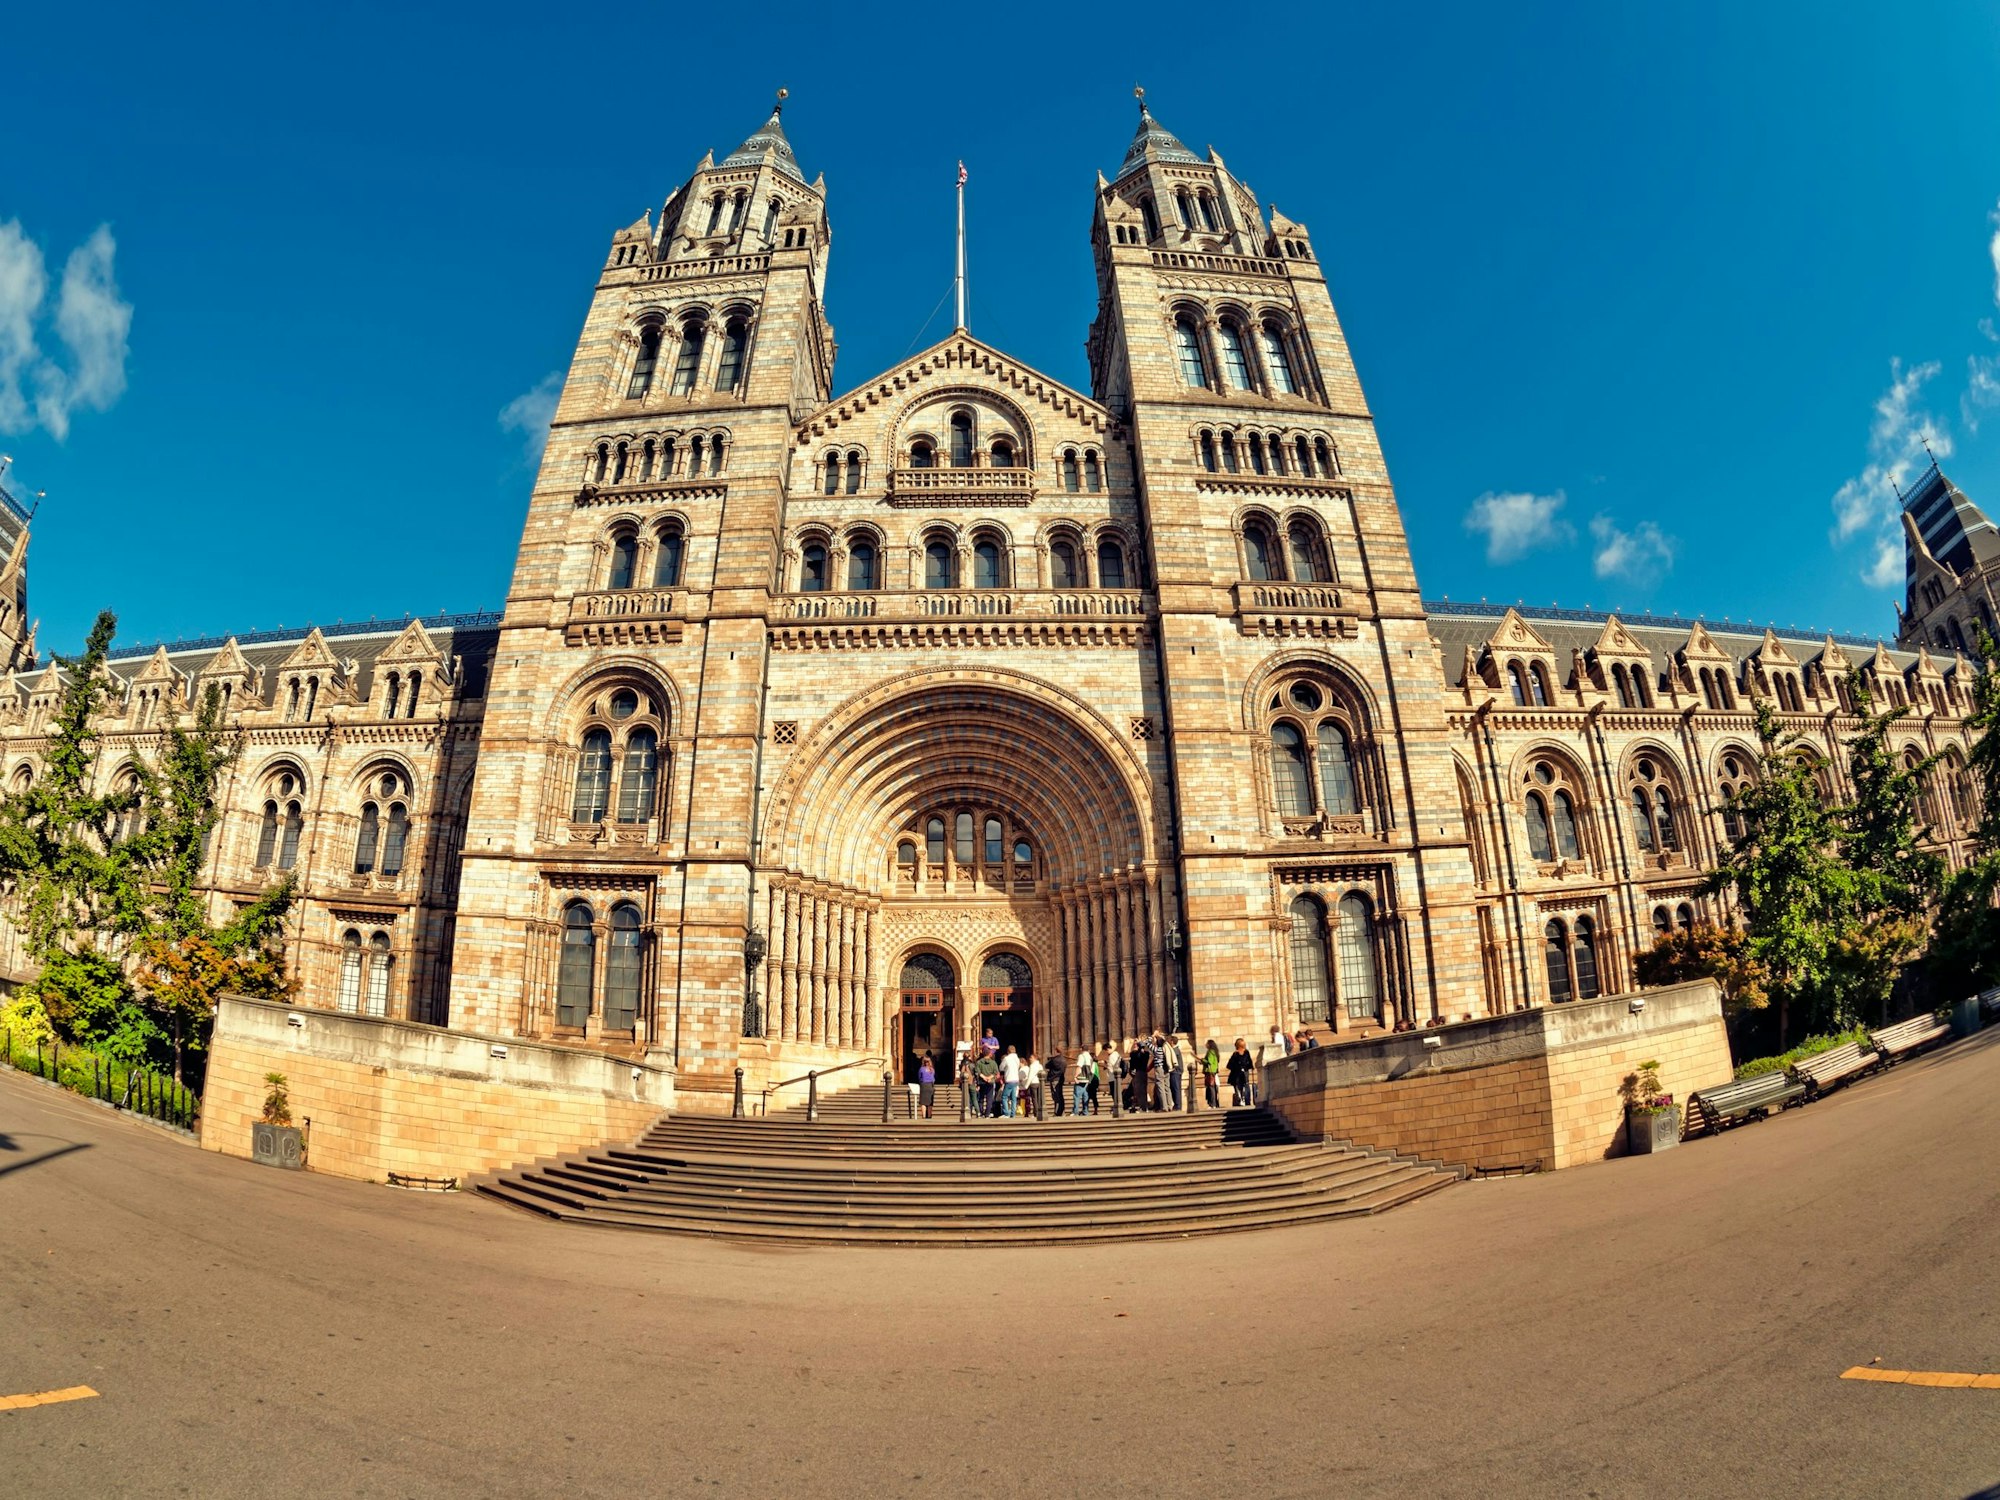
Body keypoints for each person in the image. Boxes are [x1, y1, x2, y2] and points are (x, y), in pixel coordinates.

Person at [1226, 1038, 1254, 1107]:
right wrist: (1250, 1067)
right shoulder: (1246, 1052)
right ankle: (1245, 1100)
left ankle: (1240, 1099)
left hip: (1237, 1073)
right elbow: (1249, 1062)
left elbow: (1229, 1065)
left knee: (1237, 1086)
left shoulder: (1235, 1054)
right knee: (1245, 1085)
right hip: (1245, 1072)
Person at [973, 1048, 1000, 1118]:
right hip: (990, 1082)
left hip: (982, 1082)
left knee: (981, 1099)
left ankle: (981, 1113)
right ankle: (987, 1114)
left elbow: (977, 1072)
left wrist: (984, 1077)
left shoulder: (978, 1062)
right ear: (989, 1054)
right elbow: (996, 1073)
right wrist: (989, 1078)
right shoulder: (993, 1063)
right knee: (989, 1099)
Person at [1163, 1033, 1185, 1111]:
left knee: (1175, 1089)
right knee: (1176, 1088)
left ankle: (1177, 1105)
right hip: (1177, 1072)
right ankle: (1178, 1105)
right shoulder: (1176, 1049)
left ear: (1172, 1042)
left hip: (1175, 1072)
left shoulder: (1175, 1050)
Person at [999, 1045, 1022, 1118]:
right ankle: (1013, 1113)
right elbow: (1018, 1066)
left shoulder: (1007, 1058)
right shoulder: (1017, 1059)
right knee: (1013, 1098)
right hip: (1016, 1079)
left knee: (1004, 1097)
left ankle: (1006, 1113)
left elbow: (1001, 1067)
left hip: (1009, 1079)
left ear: (1008, 1051)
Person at [1072, 1049, 1093, 1117]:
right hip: (1088, 1078)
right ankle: (1085, 1111)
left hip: (1081, 1078)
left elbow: (1079, 1067)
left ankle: (1075, 1111)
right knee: (1085, 1095)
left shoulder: (1081, 1056)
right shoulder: (1090, 1057)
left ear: (1081, 1049)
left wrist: (1075, 1076)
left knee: (1077, 1095)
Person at [1023, 1052, 1044, 1118]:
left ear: (1035, 1058)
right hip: (1039, 1083)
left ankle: (1036, 1113)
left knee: (1034, 1099)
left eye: (1031, 1058)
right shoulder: (1040, 1065)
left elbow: (1030, 1076)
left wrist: (1026, 1085)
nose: (1030, 1059)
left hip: (1033, 1083)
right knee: (1038, 1098)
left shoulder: (1032, 1066)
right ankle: (1039, 1111)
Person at [1202, 1038, 1222, 1109]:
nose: (1205, 1045)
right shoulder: (1215, 1052)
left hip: (1210, 1071)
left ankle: (1212, 1103)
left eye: (1207, 1043)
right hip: (1214, 1071)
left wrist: (1202, 1060)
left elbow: (1209, 1061)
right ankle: (1215, 1103)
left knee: (1210, 1087)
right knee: (1213, 1087)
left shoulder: (1210, 1052)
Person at [1046, 1048, 1066, 1116]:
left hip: (1054, 1079)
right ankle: (1062, 1111)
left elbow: (1047, 1065)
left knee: (1056, 1096)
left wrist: (1050, 1059)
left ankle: (1057, 1112)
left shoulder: (1054, 1060)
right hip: (1061, 1079)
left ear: (1056, 1052)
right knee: (1060, 1095)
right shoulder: (1064, 1059)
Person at [917, 1053, 936, 1118]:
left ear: (923, 1062)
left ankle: (924, 1116)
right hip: (930, 1086)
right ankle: (930, 1115)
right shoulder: (932, 1069)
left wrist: (921, 1082)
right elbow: (933, 1079)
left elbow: (919, 1077)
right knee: (930, 1103)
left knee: (923, 1102)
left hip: (924, 1086)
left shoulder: (921, 1069)